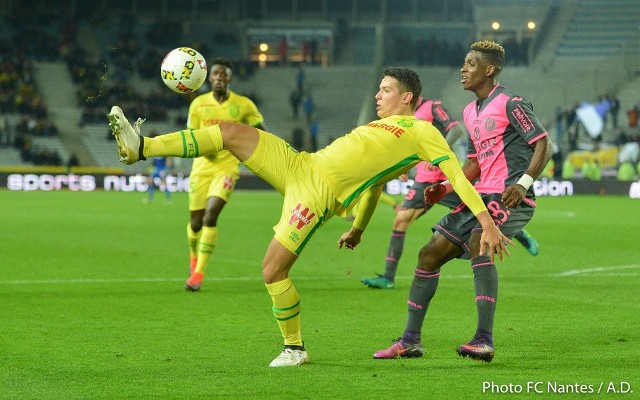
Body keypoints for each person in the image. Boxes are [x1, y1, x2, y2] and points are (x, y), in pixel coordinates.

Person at [107, 66, 512, 367]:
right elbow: (374, 187)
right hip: (300, 164)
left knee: (272, 271)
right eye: (379, 89)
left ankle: (294, 348)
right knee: (229, 132)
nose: (378, 95)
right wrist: (358, 228)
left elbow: (456, 177)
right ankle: (141, 147)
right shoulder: (379, 126)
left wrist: (488, 222)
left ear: (407, 98)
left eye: (386, 90)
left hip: (316, 194)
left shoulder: (423, 133)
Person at [373, 41, 553, 363]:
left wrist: (524, 184)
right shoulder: (471, 112)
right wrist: (443, 187)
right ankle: (410, 341)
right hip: (480, 195)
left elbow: (544, 145)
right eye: (464, 63)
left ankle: (484, 340)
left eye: (471, 64)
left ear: (489, 69)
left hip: (510, 196)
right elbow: (475, 163)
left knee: (477, 240)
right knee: (428, 255)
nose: (463, 69)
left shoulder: (511, 103)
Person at [362, 98, 540, 290]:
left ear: (408, 94)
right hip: (424, 180)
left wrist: (436, 153)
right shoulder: (406, 118)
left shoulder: (433, 107)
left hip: (446, 178)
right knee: (401, 219)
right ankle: (388, 277)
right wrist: (403, 168)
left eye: (389, 91)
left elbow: (455, 129)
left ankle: (517, 231)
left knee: (481, 211)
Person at [182, 57, 265, 291]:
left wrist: (279, 149)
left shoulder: (243, 105)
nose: (219, 78)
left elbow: (261, 131)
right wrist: (206, 151)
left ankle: (198, 275)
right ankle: (193, 256)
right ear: (209, 78)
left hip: (227, 168)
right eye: (216, 74)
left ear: (230, 78)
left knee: (211, 216)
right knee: (196, 223)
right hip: (201, 168)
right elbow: (191, 136)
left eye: (224, 74)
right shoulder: (198, 104)